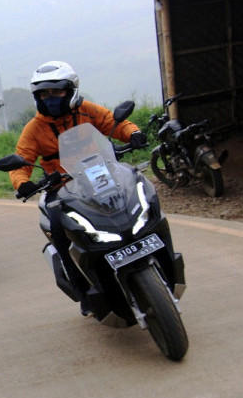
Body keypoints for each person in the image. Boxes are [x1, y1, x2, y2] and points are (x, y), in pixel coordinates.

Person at [8, 60, 147, 316]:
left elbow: (112, 122)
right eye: (44, 94)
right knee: (58, 229)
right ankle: (83, 290)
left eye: (56, 91)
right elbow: (22, 161)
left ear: (71, 89)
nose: (50, 98)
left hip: (103, 175)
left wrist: (133, 133)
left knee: (137, 196)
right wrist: (23, 182)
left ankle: (148, 249)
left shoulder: (86, 111)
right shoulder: (34, 129)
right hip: (63, 188)